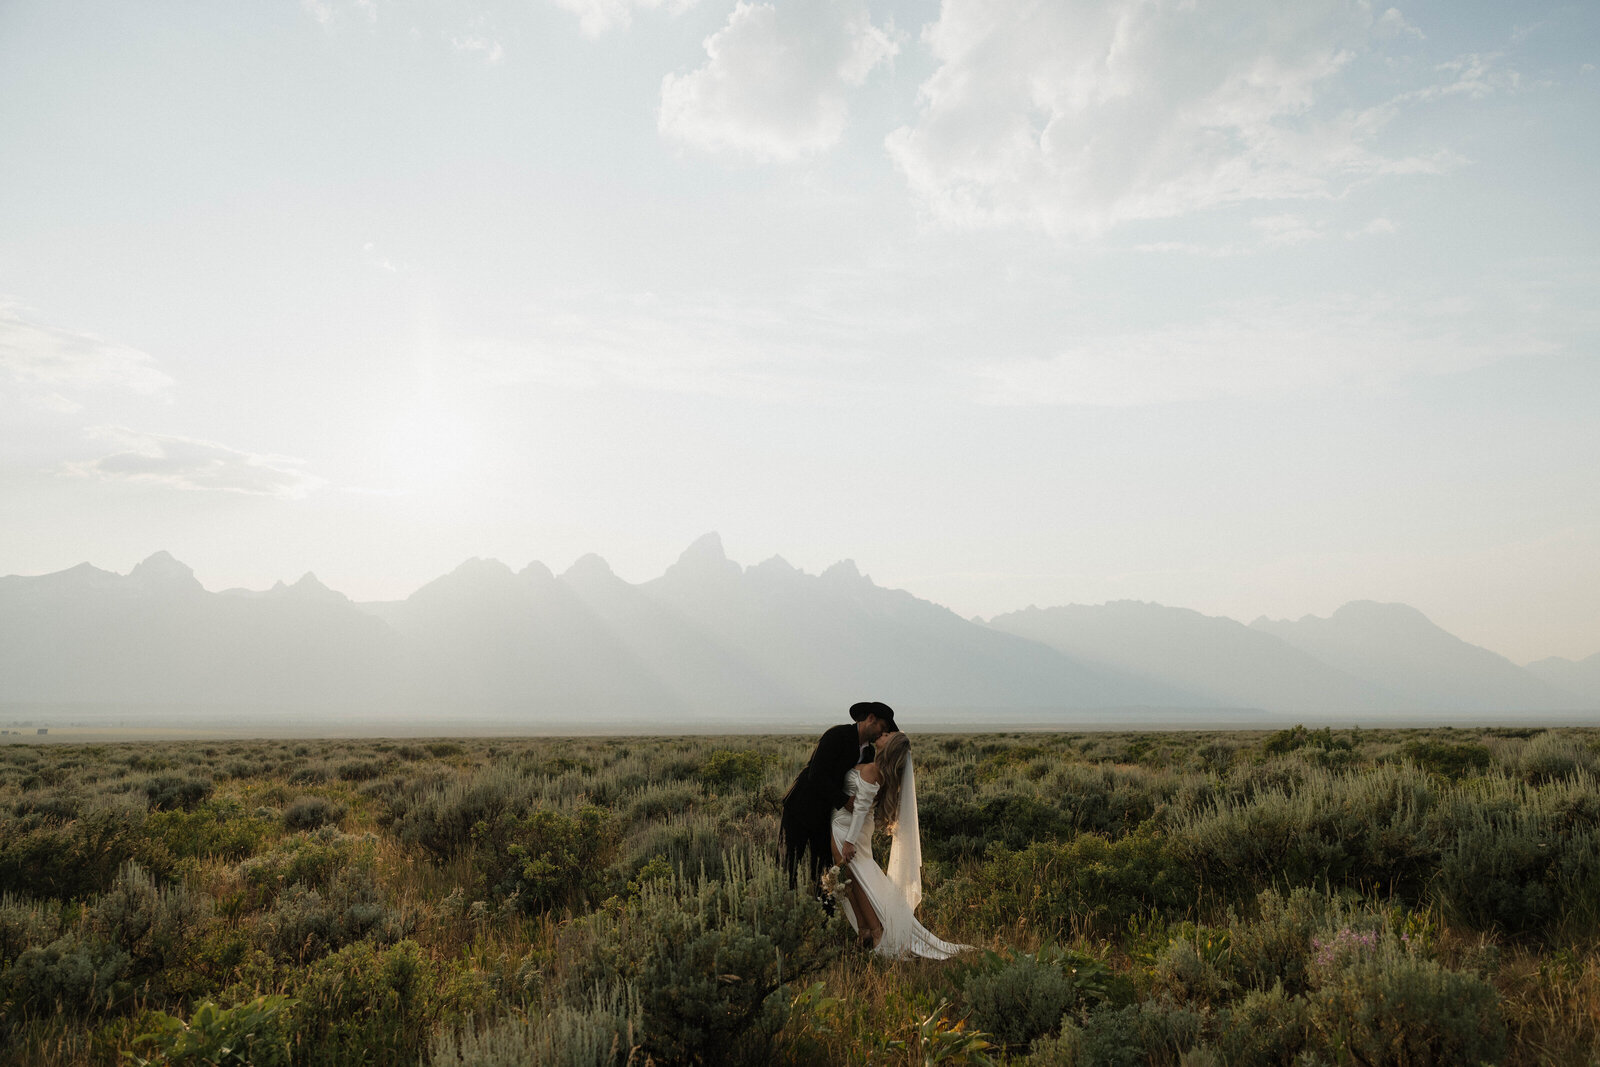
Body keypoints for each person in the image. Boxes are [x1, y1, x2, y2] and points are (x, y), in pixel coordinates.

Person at [831, 730, 966, 959]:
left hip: (849, 829)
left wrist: (850, 842)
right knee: (854, 877)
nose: (881, 735)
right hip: (850, 826)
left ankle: (876, 932)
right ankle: (867, 930)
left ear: (889, 745)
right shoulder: (877, 768)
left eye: (886, 735)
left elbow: (862, 808)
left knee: (855, 877)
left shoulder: (873, 770)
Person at [780, 701, 896, 886]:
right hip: (801, 808)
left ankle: (825, 911)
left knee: (823, 869)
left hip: (828, 816)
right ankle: (784, 904)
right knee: (789, 865)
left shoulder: (869, 752)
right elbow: (816, 774)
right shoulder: (837, 735)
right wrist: (844, 801)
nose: (881, 733)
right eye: (882, 727)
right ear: (871, 718)